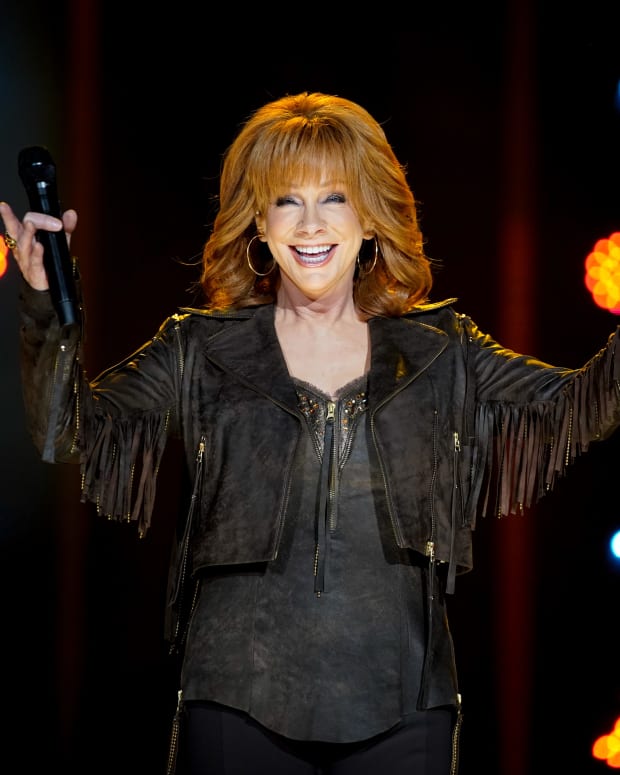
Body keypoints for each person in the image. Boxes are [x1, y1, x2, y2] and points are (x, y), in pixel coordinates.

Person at [1, 90, 619, 775]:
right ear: (258, 224)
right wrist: (42, 302)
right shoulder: (200, 348)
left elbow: (582, 404)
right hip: (235, 699)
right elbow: (66, 431)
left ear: (371, 218)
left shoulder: (444, 349)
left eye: (334, 198)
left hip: (403, 708)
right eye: (287, 200)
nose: (310, 222)